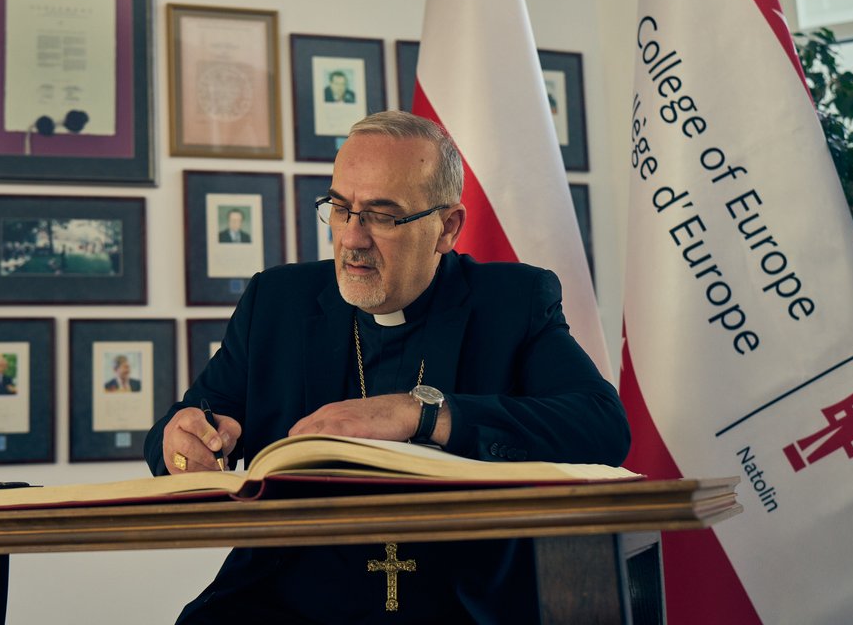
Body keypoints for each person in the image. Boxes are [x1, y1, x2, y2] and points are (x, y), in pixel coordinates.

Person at [145, 111, 629, 623]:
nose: (352, 238)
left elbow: (602, 427)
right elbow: (185, 427)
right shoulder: (277, 302)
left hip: (458, 604)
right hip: (284, 601)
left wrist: (424, 414)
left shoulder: (511, 302)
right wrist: (184, 439)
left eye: (382, 215)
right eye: (339, 208)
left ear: (447, 228)